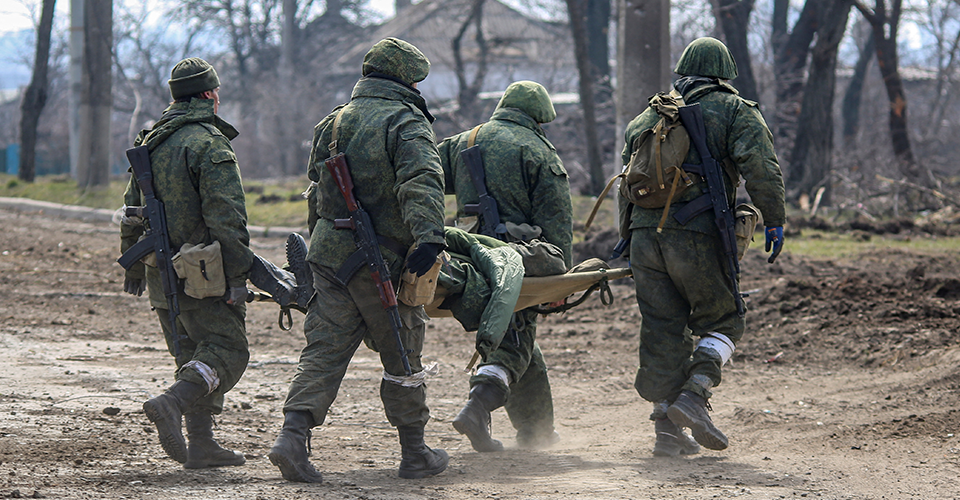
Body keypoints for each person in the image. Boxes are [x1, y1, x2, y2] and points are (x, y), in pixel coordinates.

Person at [268, 38, 448, 483]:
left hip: (328, 257)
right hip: (380, 260)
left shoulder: (331, 123)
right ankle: (415, 452)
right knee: (403, 352)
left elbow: (316, 192)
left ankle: (292, 438)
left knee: (324, 350)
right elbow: (421, 179)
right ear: (405, 80)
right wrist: (430, 236)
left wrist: (318, 248)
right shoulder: (405, 121)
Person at [618, 37, 785, 456]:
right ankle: (694, 395)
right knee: (725, 319)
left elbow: (626, 183)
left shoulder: (648, 115)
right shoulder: (734, 110)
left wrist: (626, 239)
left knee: (663, 328)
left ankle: (666, 430)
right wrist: (775, 218)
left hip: (644, 238)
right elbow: (761, 168)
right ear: (724, 73)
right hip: (695, 235)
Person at [120, 57, 253, 469]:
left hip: (158, 272)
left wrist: (133, 266)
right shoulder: (208, 143)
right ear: (210, 94)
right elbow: (227, 217)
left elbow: (131, 209)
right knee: (228, 350)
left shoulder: (151, 140)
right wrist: (238, 276)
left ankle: (201, 443)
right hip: (203, 274)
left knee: (192, 355)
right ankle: (172, 403)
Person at [437, 81, 573, 452]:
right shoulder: (538, 151)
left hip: (467, 258)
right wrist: (561, 281)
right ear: (538, 118)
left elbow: (423, 177)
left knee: (518, 336)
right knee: (516, 336)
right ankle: (478, 405)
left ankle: (536, 432)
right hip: (515, 262)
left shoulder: (463, 142)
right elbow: (557, 222)